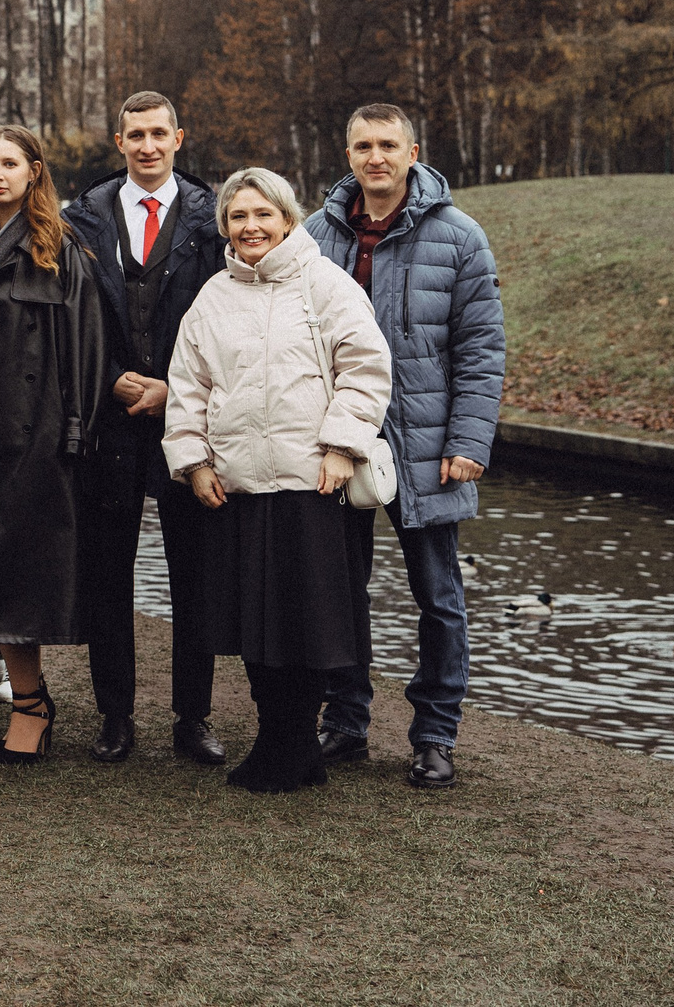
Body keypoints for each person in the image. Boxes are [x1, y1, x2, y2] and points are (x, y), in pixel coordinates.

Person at [164, 167, 393, 793]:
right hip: (239, 486)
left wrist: (344, 447)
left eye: (262, 214)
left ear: (288, 219)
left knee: (307, 623)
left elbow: (366, 369)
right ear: (225, 229)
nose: (250, 227)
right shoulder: (213, 297)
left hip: (311, 482)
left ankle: (294, 743)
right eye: (238, 217)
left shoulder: (326, 286)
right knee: (255, 623)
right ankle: (277, 738)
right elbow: (188, 386)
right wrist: (194, 461)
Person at [306, 104, 505, 792]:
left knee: (438, 594)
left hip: (428, 443)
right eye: (363, 144)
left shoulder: (459, 236)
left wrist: (468, 440)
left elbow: (482, 350)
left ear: (413, 150)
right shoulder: (315, 234)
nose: (376, 157)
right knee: (339, 588)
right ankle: (348, 719)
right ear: (349, 151)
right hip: (338, 439)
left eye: (388, 144)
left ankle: (434, 734)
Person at [61, 91, 230, 766]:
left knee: (195, 572)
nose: (148, 145)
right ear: (119, 139)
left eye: (160, 133)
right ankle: (116, 715)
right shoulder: (83, 217)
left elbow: (226, 321)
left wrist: (176, 388)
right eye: (136, 134)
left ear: (179, 137)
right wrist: (107, 378)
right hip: (110, 420)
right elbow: (69, 318)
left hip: (185, 418)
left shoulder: (212, 216)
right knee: (109, 572)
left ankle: (193, 717)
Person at [0, 127, 107, 763]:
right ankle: (31, 700)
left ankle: (31, 706)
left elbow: (85, 345)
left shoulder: (56, 246)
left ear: (35, 171)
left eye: (9, 163)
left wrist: (75, 431)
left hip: (32, 431)